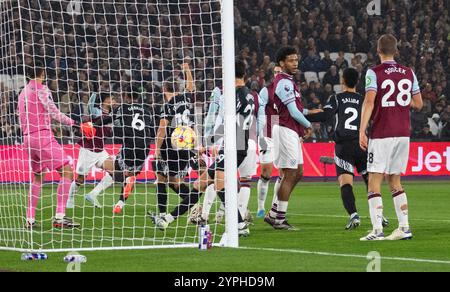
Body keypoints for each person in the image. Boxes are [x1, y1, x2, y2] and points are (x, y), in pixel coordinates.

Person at [150, 59, 255, 236]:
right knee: (200, 184)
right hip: (235, 143)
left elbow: (231, 124)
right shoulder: (247, 94)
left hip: (234, 145)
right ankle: (167, 219)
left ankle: (240, 225)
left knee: (220, 185)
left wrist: (207, 143)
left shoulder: (237, 95)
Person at [307, 68, 389, 230]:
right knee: (370, 181)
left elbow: (324, 116)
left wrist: (301, 115)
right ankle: (379, 215)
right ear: (357, 82)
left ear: (342, 80)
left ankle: (354, 216)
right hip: (362, 145)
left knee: (346, 182)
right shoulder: (363, 99)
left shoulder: (336, 98)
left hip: (343, 146)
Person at [359, 34, 423, 241]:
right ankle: (404, 228)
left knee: (374, 181)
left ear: (378, 51)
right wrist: (399, 103)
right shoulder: (408, 72)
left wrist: (361, 130)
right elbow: (418, 103)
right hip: (403, 133)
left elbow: (369, 102)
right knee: (395, 180)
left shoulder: (373, 72)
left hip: (382, 132)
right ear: (396, 51)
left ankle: (377, 230)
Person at [18, 59, 95, 229]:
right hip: (42, 136)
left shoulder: (22, 92)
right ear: (42, 73)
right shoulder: (42, 89)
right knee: (67, 171)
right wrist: (75, 124)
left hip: (27, 139)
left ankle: (29, 219)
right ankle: (60, 217)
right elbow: (54, 112)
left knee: (38, 177)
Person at [263, 47, 312, 231]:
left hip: (290, 130)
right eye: (291, 60)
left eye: (296, 60)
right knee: (289, 174)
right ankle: (279, 219)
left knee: (298, 173)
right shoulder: (283, 82)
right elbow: (293, 111)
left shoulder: (289, 81)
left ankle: (274, 213)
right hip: (285, 130)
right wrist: (307, 124)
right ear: (282, 63)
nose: (295, 63)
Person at [154, 63, 197, 217]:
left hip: (170, 145)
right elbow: (191, 86)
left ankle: (162, 214)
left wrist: (157, 150)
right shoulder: (186, 98)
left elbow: (162, 129)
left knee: (160, 178)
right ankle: (195, 207)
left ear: (164, 89)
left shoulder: (167, 106)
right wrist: (187, 69)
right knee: (175, 182)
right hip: (187, 145)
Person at [67, 92, 115, 209]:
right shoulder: (96, 112)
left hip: (100, 150)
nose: (114, 100)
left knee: (115, 171)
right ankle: (70, 198)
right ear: (104, 101)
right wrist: (95, 92)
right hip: (88, 149)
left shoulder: (112, 115)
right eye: (111, 98)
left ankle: (93, 195)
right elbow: (90, 105)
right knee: (80, 179)